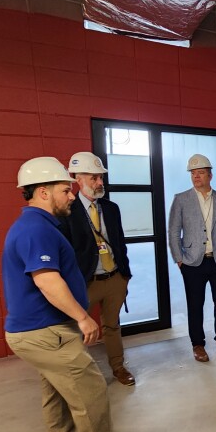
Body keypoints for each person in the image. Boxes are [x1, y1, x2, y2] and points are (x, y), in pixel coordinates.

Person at [1, 156, 112, 432]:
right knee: (92, 395)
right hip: (44, 332)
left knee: (58, 398)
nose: (72, 195)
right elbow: (48, 281)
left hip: (42, 330)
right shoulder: (36, 229)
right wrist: (82, 316)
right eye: (66, 189)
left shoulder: (37, 226)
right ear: (43, 192)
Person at [58, 152, 134, 386]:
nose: (100, 183)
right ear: (78, 179)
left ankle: (118, 367)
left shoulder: (111, 208)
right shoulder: (67, 211)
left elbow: (120, 242)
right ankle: (79, 375)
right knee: (78, 329)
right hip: (85, 281)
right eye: (94, 178)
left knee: (112, 325)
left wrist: (125, 275)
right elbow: (65, 251)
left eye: (100, 178)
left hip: (114, 278)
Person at [168, 154, 216, 362]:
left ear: (210, 175)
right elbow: (173, 232)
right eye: (192, 173)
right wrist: (179, 259)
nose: (196, 177)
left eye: (200, 173)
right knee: (195, 304)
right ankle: (197, 344)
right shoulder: (181, 199)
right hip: (192, 262)